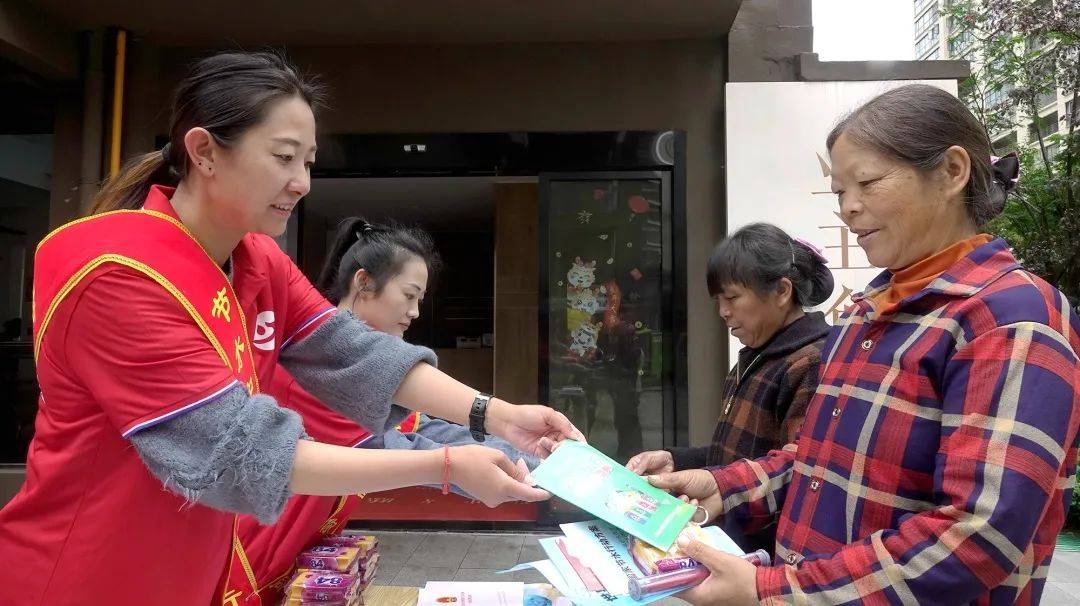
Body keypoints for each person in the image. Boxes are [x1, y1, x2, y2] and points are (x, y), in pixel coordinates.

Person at [0, 51, 582, 606]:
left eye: (308, 160)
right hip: (85, 575)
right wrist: (446, 467)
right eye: (283, 157)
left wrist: (499, 415)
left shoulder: (256, 259)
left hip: (190, 569)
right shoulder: (118, 272)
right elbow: (240, 450)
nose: (302, 182)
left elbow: (354, 353)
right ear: (203, 151)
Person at [649, 84, 1080, 605]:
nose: (849, 209)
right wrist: (723, 488)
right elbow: (818, 465)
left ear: (951, 172)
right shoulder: (866, 312)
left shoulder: (1013, 317)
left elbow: (977, 534)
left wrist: (773, 591)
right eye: (838, 193)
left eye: (868, 183)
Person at [224, 218, 538, 604]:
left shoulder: (374, 373)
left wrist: (530, 449)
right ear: (363, 283)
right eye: (409, 296)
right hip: (253, 554)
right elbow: (402, 446)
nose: (416, 312)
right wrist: (521, 465)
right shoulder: (321, 368)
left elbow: (426, 431)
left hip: (303, 550)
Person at [627, 223, 832, 553]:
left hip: (768, 561)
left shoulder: (812, 362)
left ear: (782, 291)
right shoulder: (757, 354)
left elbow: (803, 472)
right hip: (730, 545)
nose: (723, 311)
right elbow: (739, 452)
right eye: (718, 300)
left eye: (733, 297)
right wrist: (676, 460)